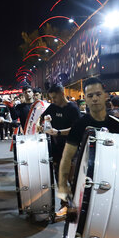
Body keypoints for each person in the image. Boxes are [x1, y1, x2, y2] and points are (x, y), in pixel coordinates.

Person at [57, 77, 119, 238]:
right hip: (86, 189)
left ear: (105, 95)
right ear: (85, 99)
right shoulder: (80, 125)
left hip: (113, 189)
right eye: (90, 95)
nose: (95, 99)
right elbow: (67, 157)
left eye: (98, 94)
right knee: (89, 237)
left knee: (110, 236)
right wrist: (62, 185)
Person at [38, 83, 81, 217]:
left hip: (71, 149)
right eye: (51, 98)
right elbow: (42, 119)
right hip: (56, 149)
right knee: (59, 178)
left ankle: (76, 206)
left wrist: (58, 132)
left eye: (55, 97)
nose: (53, 101)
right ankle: (65, 205)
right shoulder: (52, 107)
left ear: (62, 94)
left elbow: (76, 130)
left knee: (71, 178)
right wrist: (43, 123)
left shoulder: (73, 108)